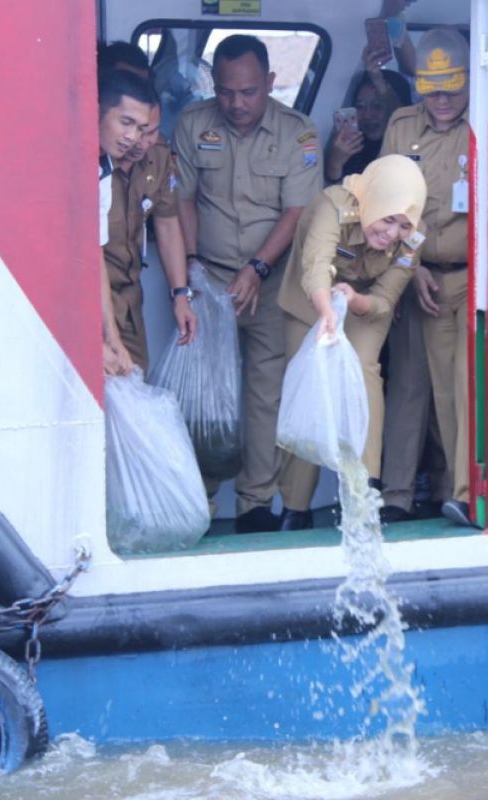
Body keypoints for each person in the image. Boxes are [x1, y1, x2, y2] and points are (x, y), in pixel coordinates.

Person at [174, 35, 321, 533]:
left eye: (249, 92)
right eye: (226, 92)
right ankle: (200, 497)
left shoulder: (298, 134)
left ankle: (256, 502)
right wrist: (192, 269)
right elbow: (184, 200)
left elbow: (298, 211)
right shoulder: (194, 124)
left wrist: (256, 268)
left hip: (272, 281)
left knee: (264, 393)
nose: (236, 103)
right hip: (208, 279)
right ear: (214, 85)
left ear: (270, 84)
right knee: (204, 393)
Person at [277, 155, 427, 518]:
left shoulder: (414, 240)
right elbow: (315, 266)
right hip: (312, 300)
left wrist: (355, 301)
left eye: (403, 226)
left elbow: (386, 297)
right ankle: (295, 508)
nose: (392, 233)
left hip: (364, 304)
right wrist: (328, 310)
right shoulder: (334, 205)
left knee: (363, 375)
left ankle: (364, 495)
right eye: (388, 219)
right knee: (312, 387)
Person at [379, 27, 473, 527]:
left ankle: (463, 493)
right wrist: (408, 269)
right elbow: (386, 204)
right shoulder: (401, 125)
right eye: (430, 88)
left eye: (451, 89)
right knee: (424, 388)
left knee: (463, 387)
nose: (439, 100)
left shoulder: (486, 122)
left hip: (475, 278)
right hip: (419, 275)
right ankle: (400, 493)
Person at [99, 46, 197, 371]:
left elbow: (168, 225)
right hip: (92, 296)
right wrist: (108, 338)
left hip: (129, 297)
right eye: (129, 124)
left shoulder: (158, 157)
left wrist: (180, 294)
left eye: (148, 130)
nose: (138, 140)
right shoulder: (91, 163)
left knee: (135, 384)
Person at [98, 68, 158, 375]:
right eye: (126, 122)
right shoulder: (62, 161)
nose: (133, 137)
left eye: (142, 128)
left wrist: (112, 338)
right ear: (98, 110)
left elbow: (93, 256)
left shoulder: (101, 168)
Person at [325, 59, 412, 184]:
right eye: (360, 106)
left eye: (377, 106)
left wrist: (379, 81)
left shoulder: (413, 142)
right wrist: (336, 162)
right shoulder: (352, 147)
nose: (367, 115)